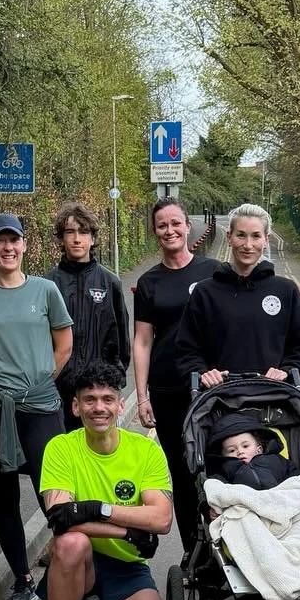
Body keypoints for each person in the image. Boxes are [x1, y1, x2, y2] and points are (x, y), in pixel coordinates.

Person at [38, 360, 173, 600]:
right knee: (70, 544)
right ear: (76, 406)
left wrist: (97, 509)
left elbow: (162, 519)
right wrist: (128, 530)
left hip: (126, 564)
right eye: (89, 399)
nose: (99, 408)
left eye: (107, 399)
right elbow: (60, 519)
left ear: (120, 404)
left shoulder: (145, 450)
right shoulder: (60, 448)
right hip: (82, 563)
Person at [0, 214, 73, 600]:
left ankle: (73, 573)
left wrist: (44, 380)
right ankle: (23, 581)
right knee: (3, 496)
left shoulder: (45, 291)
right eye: (0, 241)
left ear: (25, 245)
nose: (8, 248)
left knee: (54, 492)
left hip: (40, 406)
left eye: (15, 241)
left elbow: (63, 342)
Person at [132, 197, 220, 554]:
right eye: (162, 225)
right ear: (156, 232)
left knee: (219, 473)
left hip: (213, 390)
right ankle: (193, 556)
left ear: (188, 227)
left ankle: (227, 554)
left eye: (175, 223)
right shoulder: (149, 282)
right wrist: (142, 396)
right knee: (183, 479)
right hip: (169, 391)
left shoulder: (213, 272)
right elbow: (142, 341)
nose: (170, 230)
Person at [173, 203, 300, 389]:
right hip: (219, 400)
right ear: (229, 237)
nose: (248, 245)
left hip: (274, 399)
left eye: (256, 236)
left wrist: (287, 369)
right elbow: (186, 348)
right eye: (241, 235)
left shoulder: (286, 290)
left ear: (266, 240)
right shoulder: (205, 292)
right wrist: (202, 372)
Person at [45, 202, 130, 432]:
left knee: (97, 455)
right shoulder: (48, 284)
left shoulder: (109, 282)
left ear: (92, 238)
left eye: (83, 232)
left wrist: (116, 378)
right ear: (61, 238)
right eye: (70, 232)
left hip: (97, 391)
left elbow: (121, 337)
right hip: (58, 389)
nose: (76, 239)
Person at [209, 415, 291, 490]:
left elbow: (296, 476)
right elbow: (214, 487)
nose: (240, 452)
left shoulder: (275, 460)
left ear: (259, 450)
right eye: (232, 450)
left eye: (245, 446)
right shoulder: (225, 470)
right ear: (223, 456)